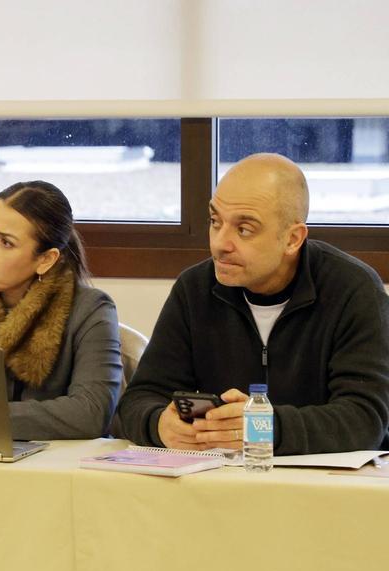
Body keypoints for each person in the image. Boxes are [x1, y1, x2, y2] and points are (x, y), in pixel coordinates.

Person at [118, 153, 389, 454]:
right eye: (214, 221)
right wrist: (159, 424)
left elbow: (366, 420)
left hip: (327, 488)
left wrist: (261, 428)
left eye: (244, 229)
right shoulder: (194, 289)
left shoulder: (352, 289)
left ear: (292, 239)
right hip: (220, 482)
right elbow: (139, 398)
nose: (220, 243)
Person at [0, 181, 121, 440]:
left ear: (46, 260)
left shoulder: (90, 310)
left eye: (6, 243)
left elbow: (91, 413)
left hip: (58, 470)